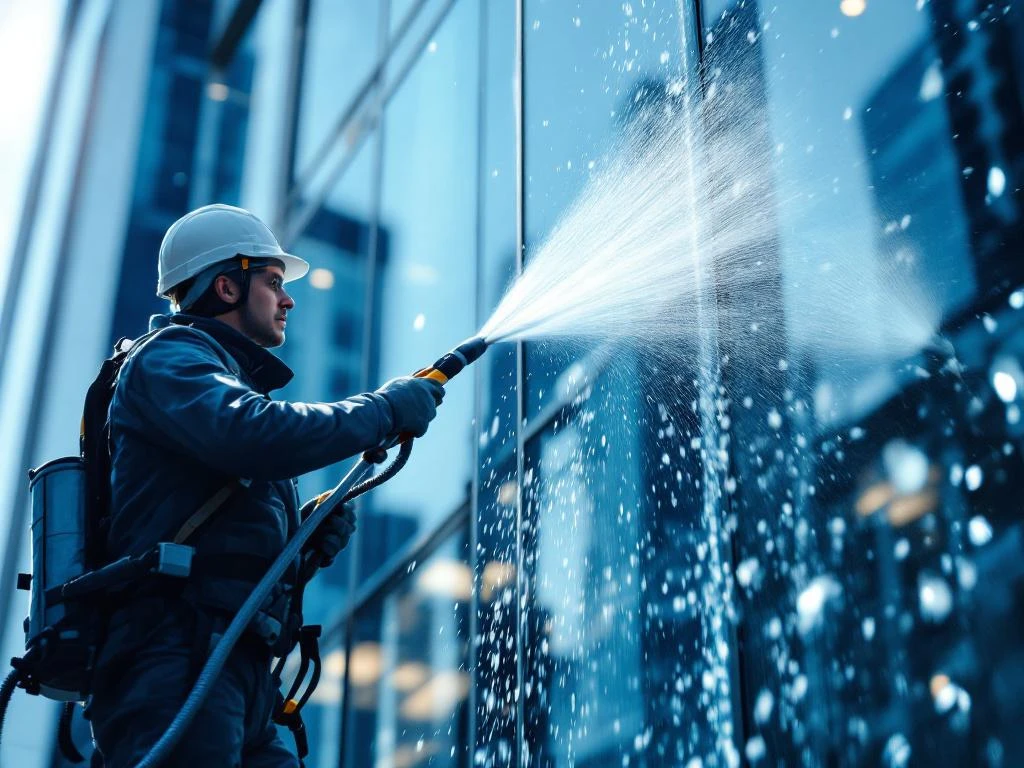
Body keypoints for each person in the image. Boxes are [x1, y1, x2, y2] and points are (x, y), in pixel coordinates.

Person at [87, 204, 444, 766]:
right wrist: (381, 410)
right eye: (274, 282)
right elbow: (253, 435)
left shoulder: (216, 383)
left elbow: (225, 552)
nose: (288, 299)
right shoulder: (170, 360)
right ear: (226, 286)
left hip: (237, 672)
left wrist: (303, 540)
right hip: (176, 660)